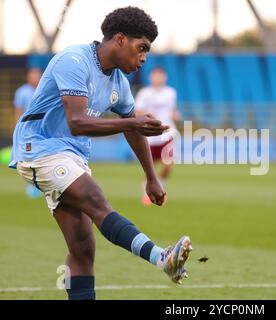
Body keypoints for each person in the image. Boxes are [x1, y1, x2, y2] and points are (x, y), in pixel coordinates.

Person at [9, 7, 192, 300]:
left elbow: (134, 128)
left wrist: (151, 177)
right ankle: (161, 258)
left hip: (73, 156)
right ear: (119, 39)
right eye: (141, 47)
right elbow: (77, 122)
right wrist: (132, 121)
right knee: (96, 199)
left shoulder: (119, 81)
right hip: (39, 148)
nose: (144, 57)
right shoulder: (75, 60)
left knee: (82, 248)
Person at [134, 66, 180, 205]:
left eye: (161, 76)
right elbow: (137, 111)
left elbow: (172, 110)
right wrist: (148, 118)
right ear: (151, 77)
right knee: (150, 167)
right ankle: (147, 193)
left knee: (167, 165)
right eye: (155, 75)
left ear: (164, 78)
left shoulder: (171, 92)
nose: (158, 78)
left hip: (167, 132)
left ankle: (160, 188)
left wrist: (175, 115)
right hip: (150, 134)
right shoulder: (144, 93)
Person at [14, 68, 44, 198]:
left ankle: (43, 183)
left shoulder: (44, 90)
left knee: (43, 156)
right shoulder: (22, 92)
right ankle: (32, 185)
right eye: (33, 75)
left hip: (43, 130)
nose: (35, 78)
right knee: (30, 156)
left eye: (37, 75)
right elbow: (18, 110)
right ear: (28, 77)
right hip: (27, 131)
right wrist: (18, 128)